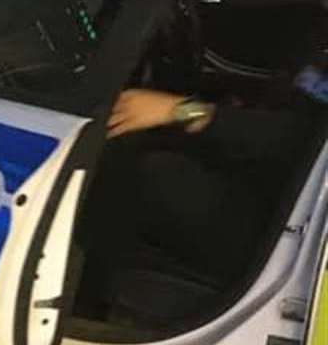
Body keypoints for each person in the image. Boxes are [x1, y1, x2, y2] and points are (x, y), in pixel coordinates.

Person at [77, 21, 328, 322]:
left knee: (142, 173)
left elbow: (291, 140)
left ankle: (86, 305)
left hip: (281, 231)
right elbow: (288, 110)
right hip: (268, 185)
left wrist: (182, 110)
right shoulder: (316, 44)